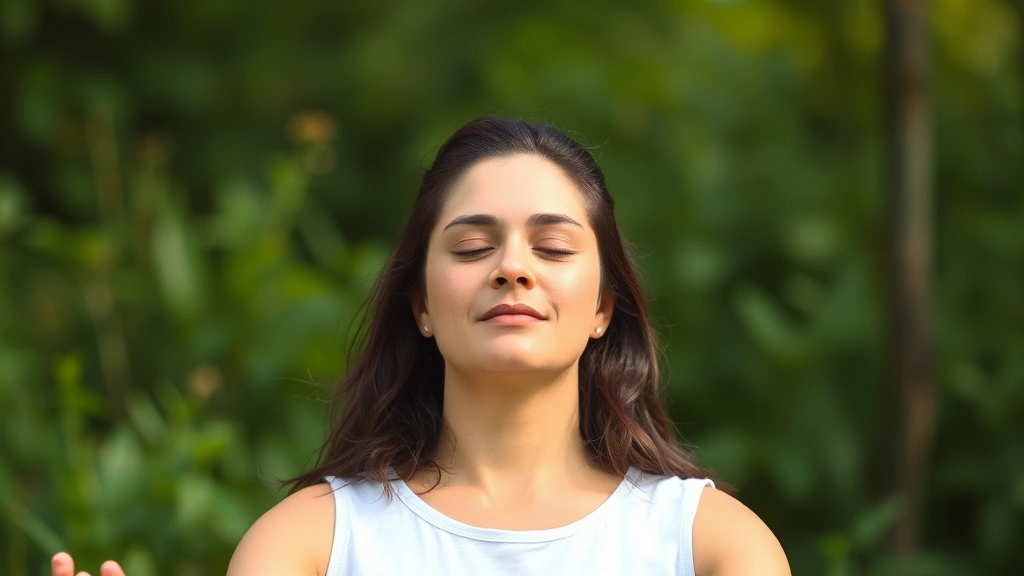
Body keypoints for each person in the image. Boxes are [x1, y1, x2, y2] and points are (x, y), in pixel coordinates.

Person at [52, 117, 790, 576]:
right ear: (422, 306)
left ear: (603, 307)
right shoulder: (314, 543)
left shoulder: (710, 547)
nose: (512, 267)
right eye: (472, 247)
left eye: (553, 247)